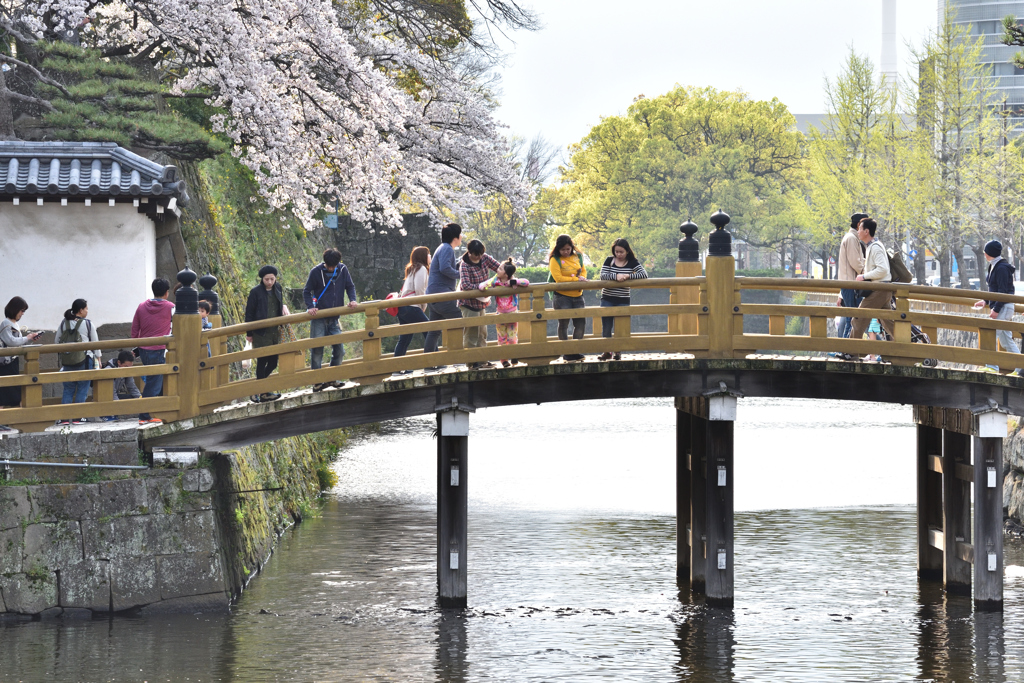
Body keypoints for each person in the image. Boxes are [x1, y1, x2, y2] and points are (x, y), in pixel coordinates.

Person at [303, 248, 358, 390]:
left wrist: (353, 300)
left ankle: (332, 378)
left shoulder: (343, 270)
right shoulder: (316, 272)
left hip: (334, 318)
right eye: (329, 266)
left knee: (340, 350)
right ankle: (317, 382)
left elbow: (350, 286)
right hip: (319, 317)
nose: (332, 268)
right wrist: (310, 306)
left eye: (334, 266)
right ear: (325, 263)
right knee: (317, 351)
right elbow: (306, 291)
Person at [973, 239, 1022, 375]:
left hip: (1004, 306)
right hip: (1002, 306)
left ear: (989, 253)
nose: (984, 253)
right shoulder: (994, 265)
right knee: (1006, 341)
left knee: (990, 335)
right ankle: (1020, 368)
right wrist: (986, 301)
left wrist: (996, 309)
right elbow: (994, 290)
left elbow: (1003, 291)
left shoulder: (1001, 268)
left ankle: (992, 366)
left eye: (985, 251)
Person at [597, 238, 648, 361]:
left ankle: (618, 352)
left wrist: (628, 276)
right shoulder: (609, 260)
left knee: (620, 327)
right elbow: (602, 275)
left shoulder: (632, 262)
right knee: (607, 326)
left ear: (627, 251)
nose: (618, 254)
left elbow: (644, 275)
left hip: (623, 298)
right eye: (616, 252)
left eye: (621, 252)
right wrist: (616, 276)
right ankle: (606, 351)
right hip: (607, 298)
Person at [132, 278, 174, 425]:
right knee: (154, 383)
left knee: (156, 380)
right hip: (160, 349)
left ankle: (158, 411)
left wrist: (136, 346)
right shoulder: (170, 307)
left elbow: (135, 330)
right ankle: (144, 415)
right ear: (166, 293)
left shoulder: (142, 306)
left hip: (144, 349)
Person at [246, 265, 290, 402]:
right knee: (262, 361)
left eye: (272, 279)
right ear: (262, 279)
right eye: (267, 279)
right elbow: (249, 312)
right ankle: (262, 392)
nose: (270, 282)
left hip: (274, 331)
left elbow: (279, 304)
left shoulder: (278, 288)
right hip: (261, 332)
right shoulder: (256, 292)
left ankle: (257, 389)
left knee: (273, 362)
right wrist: (249, 332)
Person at [850, 219, 895, 349]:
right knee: (888, 323)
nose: (857, 232)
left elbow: (883, 270)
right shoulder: (873, 246)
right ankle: (907, 350)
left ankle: (851, 351)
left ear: (866, 231)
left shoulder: (875, 247)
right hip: (882, 289)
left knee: (858, 319)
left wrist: (864, 276)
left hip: (879, 289)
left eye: (860, 229)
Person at [56, 299, 101, 425]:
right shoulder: (87, 324)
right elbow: (96, 343)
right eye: (86, 308)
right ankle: (78, 417)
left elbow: (56, 341)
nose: (87, 311)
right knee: (82, 387)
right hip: (85, 360)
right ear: (81, 310)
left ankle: (64, 418)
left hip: (67, 361)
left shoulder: (63, 323)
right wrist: (98, 358)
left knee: (68, 388)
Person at [423, 223, 463, 365]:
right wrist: (461, 275)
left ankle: (428, 363)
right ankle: (457, 359)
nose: (462, 236)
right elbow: (445, 268)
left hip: (434, 297)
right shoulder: (447, 248)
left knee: (434, 331)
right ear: (456, 237)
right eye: (461, 234)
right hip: (442, 295)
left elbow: (447, 266)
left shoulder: (442, 248)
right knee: (460, 320)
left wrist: (460, 263)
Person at [458, 239, 501, 370]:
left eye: (480, 254)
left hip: (482, 301)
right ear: (469, 252)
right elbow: (465, 285)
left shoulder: (485, 258)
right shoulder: (464, 264)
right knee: (471, 333)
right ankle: (471, 362)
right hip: (468, 303)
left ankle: (482, 360)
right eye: (476, 254)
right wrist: (481, 286)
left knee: (482, 333)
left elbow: (499, 268)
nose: (478, 257)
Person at [478, 258, 529, 367]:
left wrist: (515, 282)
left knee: (512, 337)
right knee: (502, 338)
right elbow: (484, 284)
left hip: (512, 314)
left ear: (506, 274)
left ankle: (514, 355)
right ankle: (504, 360)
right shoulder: (496, 280)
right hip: (500, 314)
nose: (497, 269)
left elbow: (526, 282)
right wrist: (483, 287)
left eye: (500, 269)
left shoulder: (512, 281)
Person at [548, 234, 588, 362]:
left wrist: (581, 277)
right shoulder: (555, 259)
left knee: (580, 323)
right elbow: (558, 278)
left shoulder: (578, 257)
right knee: (564, 323)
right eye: (563, 249)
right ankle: (566, 351)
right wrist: (576, 279)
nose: (566, 252)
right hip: (562, 296)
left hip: (578, 294)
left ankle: (575, 350)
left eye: (568, 249)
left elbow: (583, 271)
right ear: (558, 249)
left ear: (571, 247)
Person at [392, 246, 431, 374]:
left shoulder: (412, 269)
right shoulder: (422, 269)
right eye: (428, 254)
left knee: (405, 338)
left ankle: (397, 368)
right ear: (423, 256)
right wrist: (423, 305)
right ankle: (434, 362)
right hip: (412, 306)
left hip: (403, 306)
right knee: (430, 331)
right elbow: (420, 290)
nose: (430, 256)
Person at [0, 296, 43, 410]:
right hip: (5, 363)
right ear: (15, 309)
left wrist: (30, 340)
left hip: (13, 361)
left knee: (11, 392)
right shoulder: (6, 323)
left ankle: (10, 420)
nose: (22, 313)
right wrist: (27, 337)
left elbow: (18, 344)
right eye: (22, 310)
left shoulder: (14, 324)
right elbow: (11, 341)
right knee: (4, 393)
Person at [837, 213, 868, 340]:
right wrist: (867, 273)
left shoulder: (852, 237)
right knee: (853, 316)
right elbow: (855, 262)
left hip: (848, 283)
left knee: (853, 317)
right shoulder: (851, 238)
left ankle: (845, 349)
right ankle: (845, 348)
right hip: (850, 284)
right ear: (858, 225)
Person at [100, 350, 142, 421]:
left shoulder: (127, 370)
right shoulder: (109, 370)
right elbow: (111, 393)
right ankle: (106, 415)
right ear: (119, 362)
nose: (128, 368)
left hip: (115, 395)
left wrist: (141, 399)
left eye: (130, 366)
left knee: (134, 398)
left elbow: (132, 387)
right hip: (104, 397)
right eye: (126, 366)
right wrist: (122, 408)